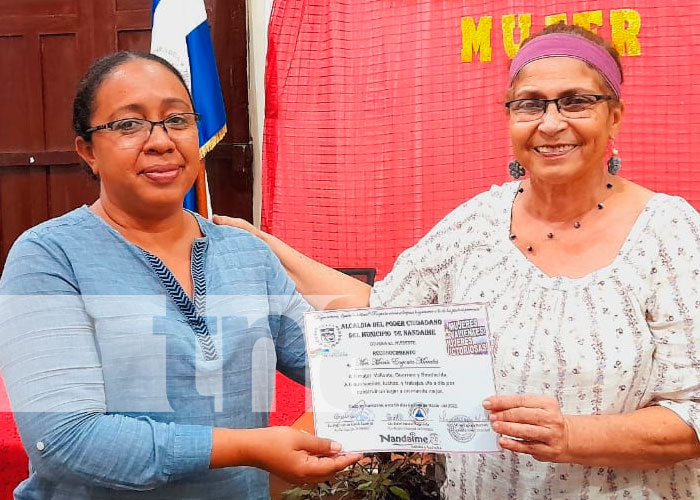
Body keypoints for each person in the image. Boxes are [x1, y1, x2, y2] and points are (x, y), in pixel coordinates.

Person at [214, 23, 700, 498]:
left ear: (615, 116)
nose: (551, 123)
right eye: (529, 104)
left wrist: (572, 436)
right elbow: (383, 313)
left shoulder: (668, 234)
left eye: (577, 101)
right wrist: (263, 244)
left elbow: (694, 414)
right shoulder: (477, 222)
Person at [0, 52, 360, 500]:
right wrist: (250, 447)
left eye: (177, 119)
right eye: (128, 125)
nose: (161, 141)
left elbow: (337, 366)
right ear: (88, 150)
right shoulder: (49, 257)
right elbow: (64, 439)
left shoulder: (246, 252)